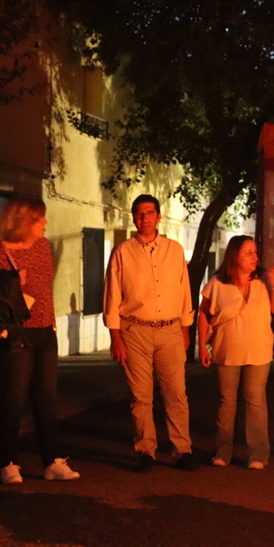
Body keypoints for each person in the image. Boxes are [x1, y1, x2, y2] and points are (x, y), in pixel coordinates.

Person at [0, 197, 80, 484]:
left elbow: (43, 287)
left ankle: (53, 461)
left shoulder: (43, 247)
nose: (45, 223)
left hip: (45, 330)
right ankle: (8, 462)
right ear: (24, 222)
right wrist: (10, 284)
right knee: (13, 399)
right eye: (39, 219)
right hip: (14, 333)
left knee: (46, 399)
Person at [103, 194, 197, 473]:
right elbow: (112, 296)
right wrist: (115, 338)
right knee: (141, 396)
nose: (144, 218)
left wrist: (185, 330)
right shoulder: (122, 252)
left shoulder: (174, 250)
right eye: (139, 213)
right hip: (135, 331)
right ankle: (146, 450)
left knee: (176, 393)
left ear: (159, 216)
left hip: (169, 330)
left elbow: (184, 293)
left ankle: (182, 449)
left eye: (149, 212)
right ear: (134, 218)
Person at [197, 236, 274, 469]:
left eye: (255, 252)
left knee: (255, 399)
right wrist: (202, 346)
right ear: (234, 255)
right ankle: (223, 450)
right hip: (228, 349)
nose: (255, 257)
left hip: (259, 349)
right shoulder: (217, 283)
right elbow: (204, 313)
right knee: (227, 401)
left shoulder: (262, 282)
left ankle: (258, 453)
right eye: (248, 252)